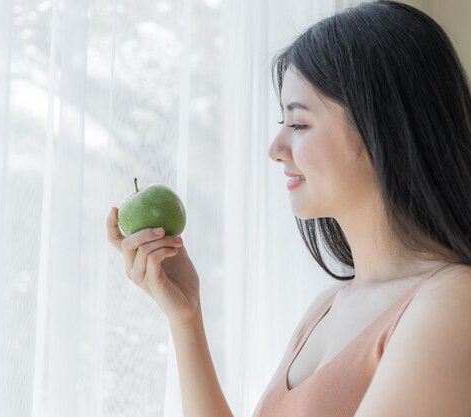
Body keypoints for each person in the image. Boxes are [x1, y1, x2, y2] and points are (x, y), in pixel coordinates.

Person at [106, 1, 471, 416]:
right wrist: (186, 317)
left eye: (298, 124)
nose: (275, 150)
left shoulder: (454, 301)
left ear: (381, 128)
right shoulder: (327, 308)